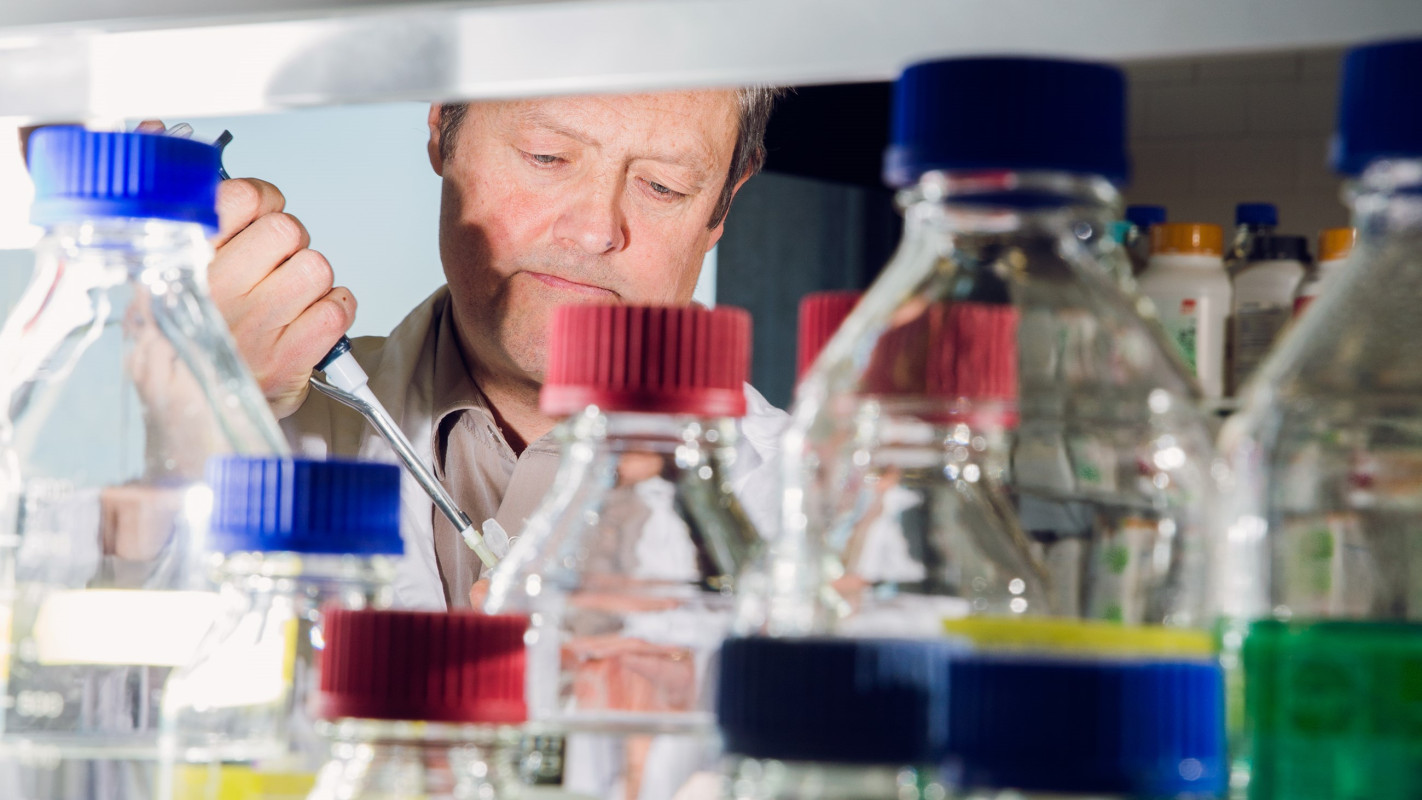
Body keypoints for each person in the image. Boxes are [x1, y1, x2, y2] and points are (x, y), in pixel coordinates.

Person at [200, 89, 787, 610]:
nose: (593, 231)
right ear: (443, 126)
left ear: (722, 207)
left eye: (664, 186)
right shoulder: (274, 425)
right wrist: (200, 407)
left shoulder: (811, 506)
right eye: (546, 156)